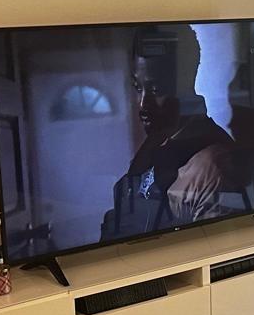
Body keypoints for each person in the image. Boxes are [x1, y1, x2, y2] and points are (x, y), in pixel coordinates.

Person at [100, 24, 237, 240]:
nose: (143, 104)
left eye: (156, 90)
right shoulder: (157, 143)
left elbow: (214, 248)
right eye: (138, 87)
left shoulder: (212, 164)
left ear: (185, 85)